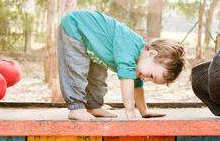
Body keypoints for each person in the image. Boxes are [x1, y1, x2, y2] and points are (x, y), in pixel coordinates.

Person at [57, 9, 186, 121]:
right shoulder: (129, 48)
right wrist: (130, 111)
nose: (146, 79)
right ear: (151, 53)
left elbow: (137, 87)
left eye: (151, 80)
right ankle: (76, 107)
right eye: (151, 76)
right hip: (75, 27)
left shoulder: (139, 62)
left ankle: (94, 106)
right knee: (76, 69)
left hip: (93, 43)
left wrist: (143, 111)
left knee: (97, 76)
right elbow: (127, 80)